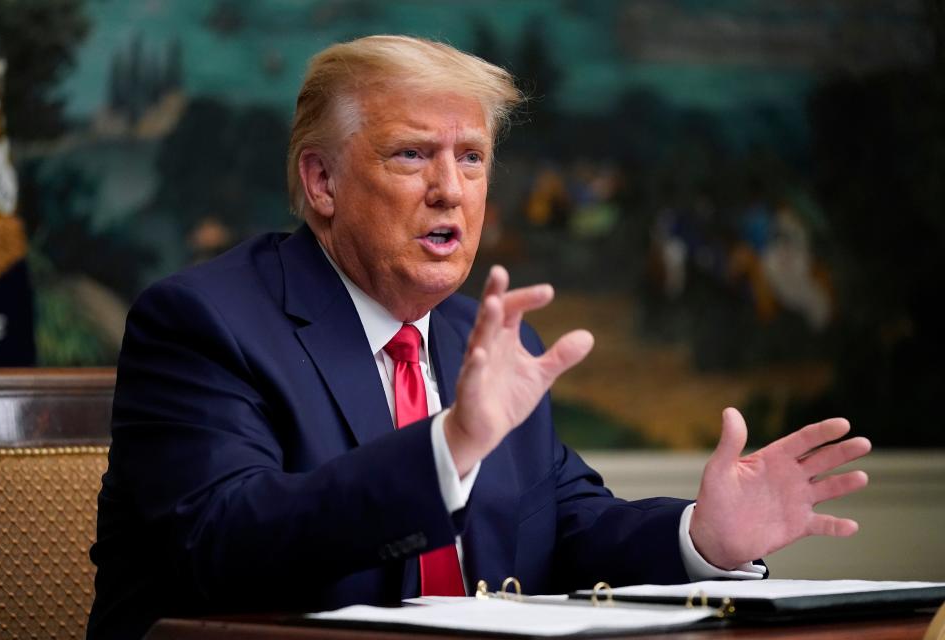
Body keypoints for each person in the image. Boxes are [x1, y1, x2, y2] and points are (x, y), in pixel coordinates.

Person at [86, 35, 870, 639]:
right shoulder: (202, 323)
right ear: (321, 182)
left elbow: (566, 526)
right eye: (412, 155)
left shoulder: (477, 337)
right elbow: (225, 544)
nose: (450, 191)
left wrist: (701, 537)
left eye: (471, 158)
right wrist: (447, 449)